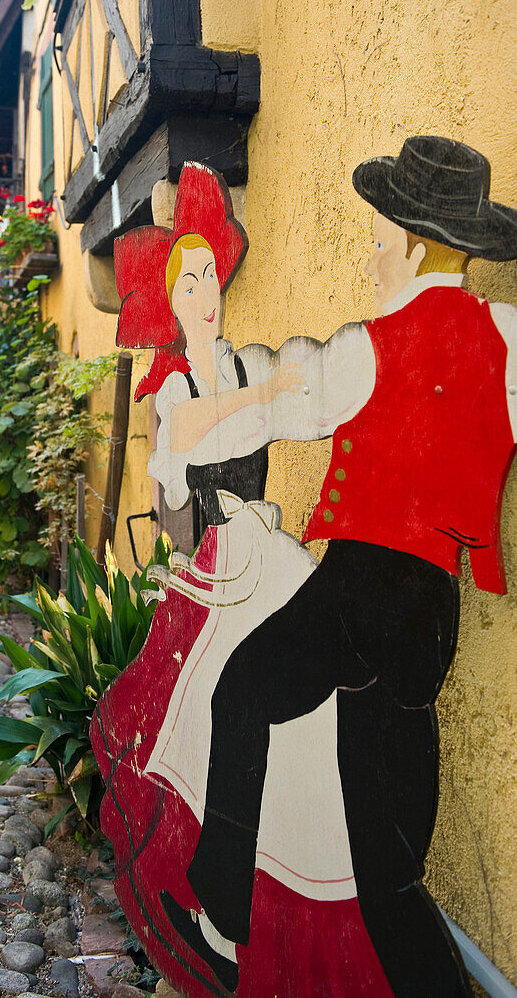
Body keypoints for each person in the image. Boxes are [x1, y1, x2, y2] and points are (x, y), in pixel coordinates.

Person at [155, 137, 517, 997]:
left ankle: (221, 928)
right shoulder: (505, 338)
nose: (371, 251)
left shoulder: (368, 345)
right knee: (387, 864)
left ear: (416, 245)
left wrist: (199, 426)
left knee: (239, 694)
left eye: (382, 237)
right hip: (432, 606)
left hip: (356, 590)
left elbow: (282, 400)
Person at [92, 163, 396, 998]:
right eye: (188, 283)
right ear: (171, 301)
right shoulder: (177, 390)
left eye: (210, 276)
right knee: (213, 722)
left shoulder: (244, 362)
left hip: (272, 553)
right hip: (221, 563)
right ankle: (219, 918)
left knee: (307, 732)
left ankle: (296, 923)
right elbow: (189, 432)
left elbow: (305, 401)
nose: (206, 292)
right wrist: (261, 390)